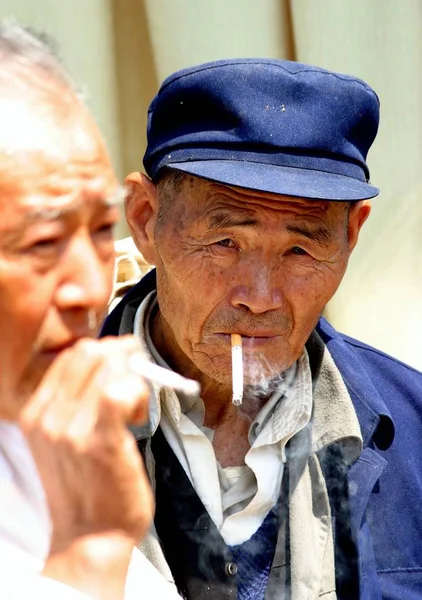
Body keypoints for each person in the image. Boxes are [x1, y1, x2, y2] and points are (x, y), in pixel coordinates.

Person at [102, 58, 422, 599]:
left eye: (301, 249)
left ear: (352, 235)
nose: (259, 297)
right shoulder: (23, 432)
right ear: (145, 220)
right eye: (225, 243)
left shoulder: (413, 436)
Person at [0, 22, 180, 600]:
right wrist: (89, 554)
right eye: (43, 243)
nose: (88, 288)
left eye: (103, 230)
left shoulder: (41, 439)